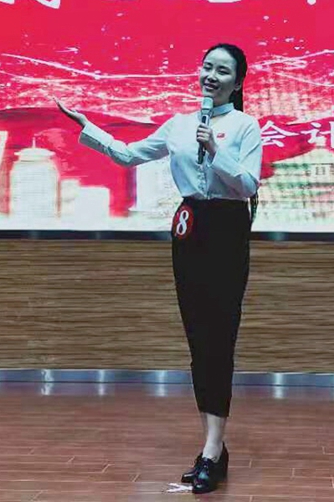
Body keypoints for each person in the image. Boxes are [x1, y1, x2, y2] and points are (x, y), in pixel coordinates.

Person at [56, 43, 262, 494]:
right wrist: (89, 128)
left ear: (237, 82)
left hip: (227, 228)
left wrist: (217, 150)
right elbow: (129, 155)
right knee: (198, 339)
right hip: (190, 227)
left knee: (219, 337)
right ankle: (213, 447)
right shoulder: (179, 124)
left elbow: (248, 184)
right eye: (206, 67)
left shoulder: (245, 126)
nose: (211, 76)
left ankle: (212, 449)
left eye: (222, 71)